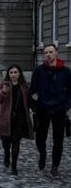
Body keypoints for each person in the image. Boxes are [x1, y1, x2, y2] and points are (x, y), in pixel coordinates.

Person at [28, 44, 71, 178]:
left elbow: (70, 90)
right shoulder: (39, 70)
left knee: (58, 139)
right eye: (46, 52)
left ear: (56, 53)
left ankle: (54, 167)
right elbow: (32, 90)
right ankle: (43, 153)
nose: (48, 54)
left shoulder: (66, 71)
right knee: (40, 138)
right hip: (42, 108)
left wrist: (67, 105)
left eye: (51, 52)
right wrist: (33, 106)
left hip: (59, 109)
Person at [0, 64, 34, 175]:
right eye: (11, 73)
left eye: (15, 72)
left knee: (16, 141)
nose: (13, 75)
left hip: (20, 117)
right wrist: (4, 92)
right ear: (8, 74)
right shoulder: (3, 84)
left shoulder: (24, 86)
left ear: (19, 73)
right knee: (5, 142)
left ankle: (14, 165)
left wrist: (35, 100)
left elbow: (29, 101)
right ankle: (6, 153)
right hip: (6, 117)